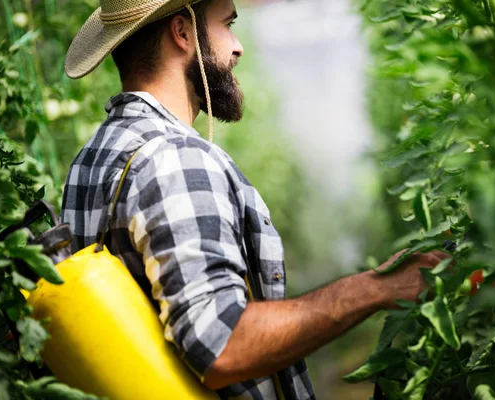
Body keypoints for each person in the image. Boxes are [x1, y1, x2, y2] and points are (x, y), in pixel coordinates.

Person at [61, 0, 450, 399]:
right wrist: (376, 289)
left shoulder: (91, 159)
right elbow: (221, 344)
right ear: (183, 33)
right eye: (227, 24)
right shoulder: (174, 158)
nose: (238, 46)